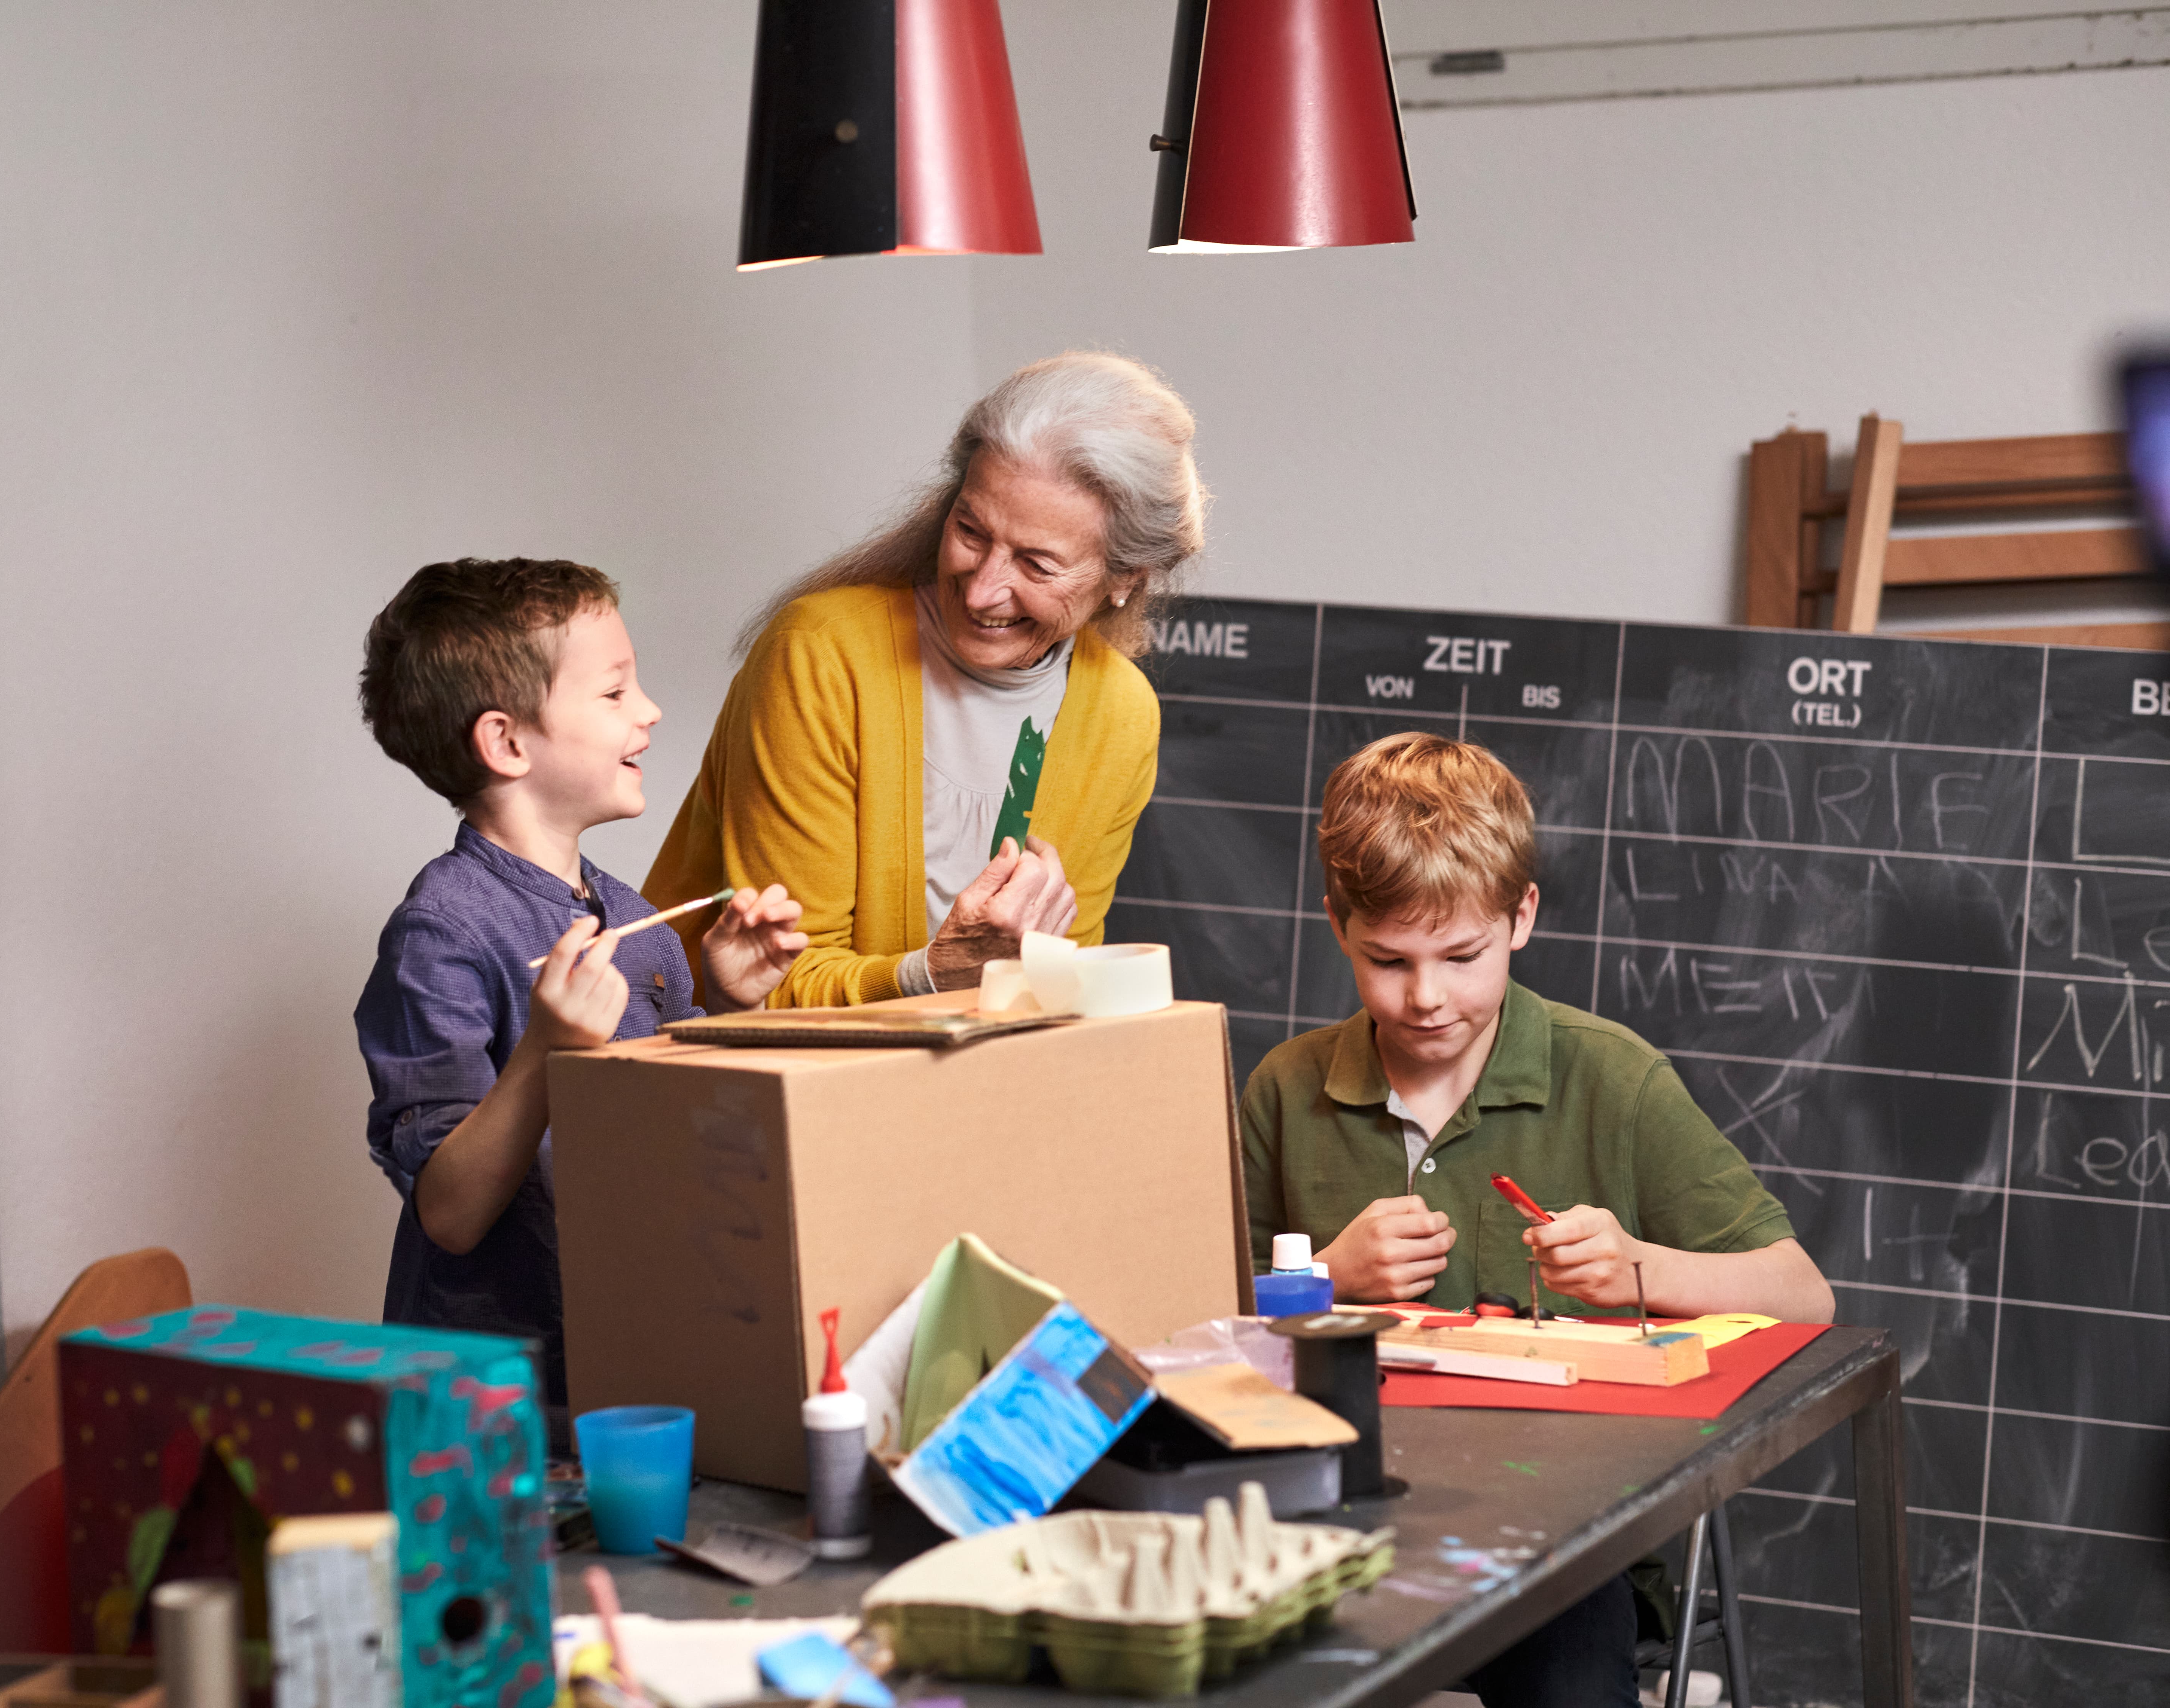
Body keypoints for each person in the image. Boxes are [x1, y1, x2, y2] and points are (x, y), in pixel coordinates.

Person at [1239, 731, 1833, 1708]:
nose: (1426, 997)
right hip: (1326, 1509)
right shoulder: (1287, 1087)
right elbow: (1187, 1324)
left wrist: (1644, 1266)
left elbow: (1802, 1293)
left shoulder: (1613, 1076)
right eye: (1388, 959)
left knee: (1566, 1670)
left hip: (1560, 1534)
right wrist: (1326, 1277)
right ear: (1337, 924)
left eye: (1461, 955)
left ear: (1521, 917)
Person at [353, 558, 808, 1405]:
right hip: (490, 1402)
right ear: (508, 742)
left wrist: (733, 1000)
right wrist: (545, 1054)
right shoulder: (440, 933)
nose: (650, 711)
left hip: (630, 1361)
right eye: (614, 693)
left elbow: (677, 1144)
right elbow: (449, 1214)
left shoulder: (635, 919)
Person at [645, 351, 1205, 1005]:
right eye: (970, 531)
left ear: (1125, 580)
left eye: (1037, 563)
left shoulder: (1122, 712)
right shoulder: (821, 655)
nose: (983, 590)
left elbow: (1050, 979)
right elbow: (772, 987)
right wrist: (935, 975)